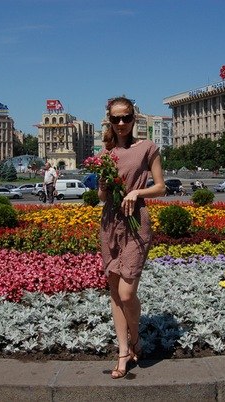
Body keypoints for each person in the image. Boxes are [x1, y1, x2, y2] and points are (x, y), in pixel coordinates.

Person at [98, 97, 166, 379]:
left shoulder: (147, 148)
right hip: (110, 223)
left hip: (137, 224)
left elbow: (161, 187)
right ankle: (124, 351)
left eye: (126, 117)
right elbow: (102, 196)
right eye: (116, 119)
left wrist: (137, 192)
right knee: (115, 293)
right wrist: (105, 184)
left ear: (134, 118)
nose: (121, 123)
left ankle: (135, 338)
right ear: (110, 121)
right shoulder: (106, 152)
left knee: (127, 293)